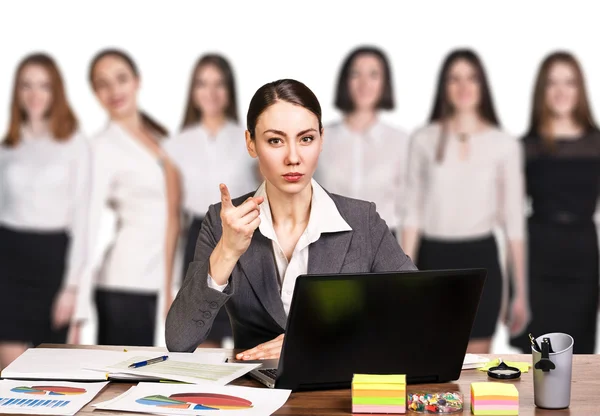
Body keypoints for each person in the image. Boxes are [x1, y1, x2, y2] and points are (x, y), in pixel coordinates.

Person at [166, 79, 416, 357]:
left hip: (337, 391)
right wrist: (227, 251)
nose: (293, 157)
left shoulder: (362, 220)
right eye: (275, 141)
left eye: (306, 139)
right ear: (251, 143)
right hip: (254, 391)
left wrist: (313, 340)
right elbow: (179, 340)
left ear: (321, 139)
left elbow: (417, 313)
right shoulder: (222, 221)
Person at [401, 49, 529, 354]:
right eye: (454, 78)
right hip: (431, 262)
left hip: (480, 260)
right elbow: (411, 216)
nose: (463, 86)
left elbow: (514, 223)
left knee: (474, 366)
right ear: (444, 86)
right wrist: (401, 280)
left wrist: (519, 292)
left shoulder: (504, 144)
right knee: (429, 359)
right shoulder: (423, 139)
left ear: (482, 85)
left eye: (471, 77)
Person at [73, 49, 181, 346]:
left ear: (137, 81)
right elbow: (87, 228)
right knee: (126, 383)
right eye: (102, 83)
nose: (114, 90)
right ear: (95, 93)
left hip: (162, 283)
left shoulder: (161, 138)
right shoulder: (99, 148)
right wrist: (77, 312)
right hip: (125, 284)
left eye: (121, 79)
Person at [163, 54, 259, 348]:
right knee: (203, 335)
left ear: (229, 90)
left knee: (250, 335)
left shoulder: (248, 138)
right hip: (199, 239)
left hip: (246, 236)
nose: (211, 92)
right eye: (203, 84)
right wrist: (167, 286)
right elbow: (172, 216)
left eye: (219, 84)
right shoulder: (176, 144)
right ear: (193, 91)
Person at [0, 53, 89, 368]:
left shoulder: (74, 143)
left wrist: (71, 288)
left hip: (53, 259)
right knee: (8, 369)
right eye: (26, 85)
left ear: (56, 92)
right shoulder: (7, 145)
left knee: (46, 371)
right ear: (17, 91)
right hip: (7, 257)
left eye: (43, 86)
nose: (34, 94)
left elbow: (82, 220)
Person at [510, 52, 600, 354]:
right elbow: (511, 218)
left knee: (581, 356)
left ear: (580, 89)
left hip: (583, 256)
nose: (561, 91)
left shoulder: (597, 143)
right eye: (553, 83)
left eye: (569, 82)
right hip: (539, 257)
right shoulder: (526, 146)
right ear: (542, 91)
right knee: (539, 358)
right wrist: (516, 289)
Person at [316, 46, 409, 238]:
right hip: (328, 240)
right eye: (356, 74)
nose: (364, 83)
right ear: (345, 81)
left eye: (374, 75)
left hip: (384, 243)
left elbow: (409, 210)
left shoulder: (400, 141)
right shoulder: (319, 138)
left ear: (385, 83)